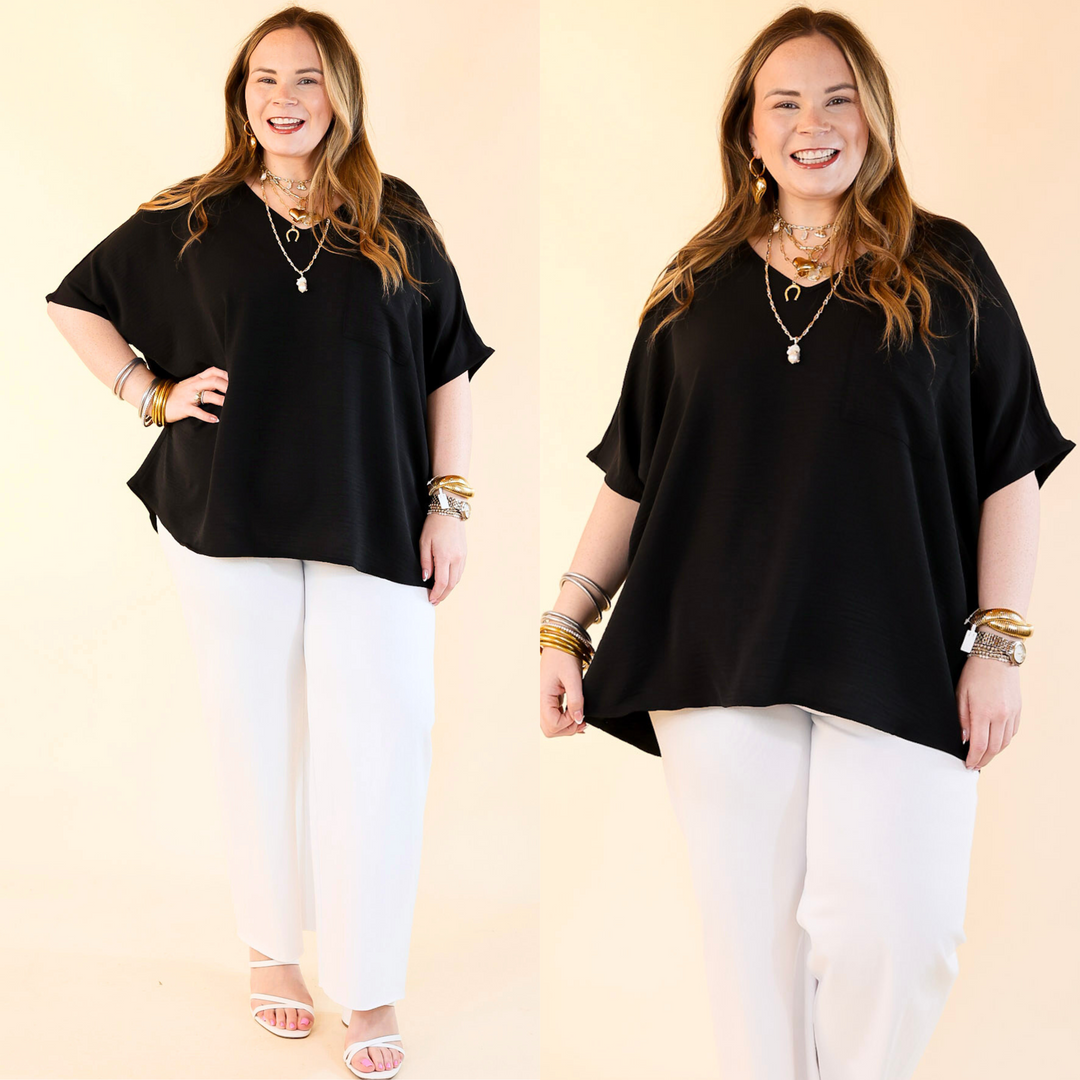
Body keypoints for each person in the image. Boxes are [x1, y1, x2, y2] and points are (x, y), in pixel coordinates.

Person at [539, 7, 1072, 1079]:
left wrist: (999, 644)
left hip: (900, 653)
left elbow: (1008, 464)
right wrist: (565, 623)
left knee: (902, 935)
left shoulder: (946, 267)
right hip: (716, 654)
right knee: (753, 954)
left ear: (874, 118)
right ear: (748, 127)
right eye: (783, 102)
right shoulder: (693, 284)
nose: (811, 124)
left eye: (837, 100)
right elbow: (636, 472)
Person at [46, 7, 491, 1077]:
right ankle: (271, 951)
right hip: (226, 510)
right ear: (240, 96)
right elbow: (76, 304)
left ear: (342, 93)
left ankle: (369, 981)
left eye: (307, 78)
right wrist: (150, 393)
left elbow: (448, 365)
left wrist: (450, 502)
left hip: (373, 511)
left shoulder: (397, 215)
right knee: (255, 733)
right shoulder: (193, 214)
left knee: (384, 736)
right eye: (264, 79)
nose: (284, 99)